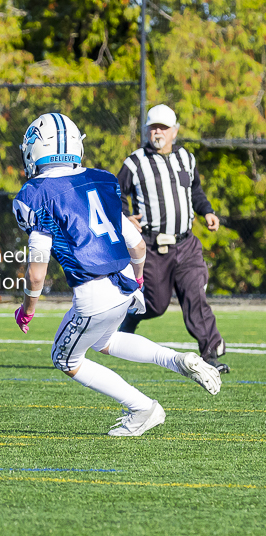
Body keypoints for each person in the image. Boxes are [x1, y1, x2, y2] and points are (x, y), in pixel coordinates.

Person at [12, 113, 221, 437]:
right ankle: (177, 359)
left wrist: (27, 309)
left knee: (64, 358)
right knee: (104, 341)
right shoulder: (101, 179)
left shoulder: (36, 193)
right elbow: (137, 245)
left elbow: (37, 273)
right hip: (124, 281)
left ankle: (142, 407)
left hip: (93, 291)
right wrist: (137, 281)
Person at [117, 104, 229, 373]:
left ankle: (211, 353)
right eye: (154, 127)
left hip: (186, 244)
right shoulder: (135, 162)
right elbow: (116, 193)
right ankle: (131, 317)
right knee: (155, 305)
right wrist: (124, 217)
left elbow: (196, 192)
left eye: (164, 128)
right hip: (154, 247)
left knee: (194, 295)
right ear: (146, 130)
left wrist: (208, 212)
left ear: (174, 131)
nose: (158, 132)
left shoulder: (186, 159)